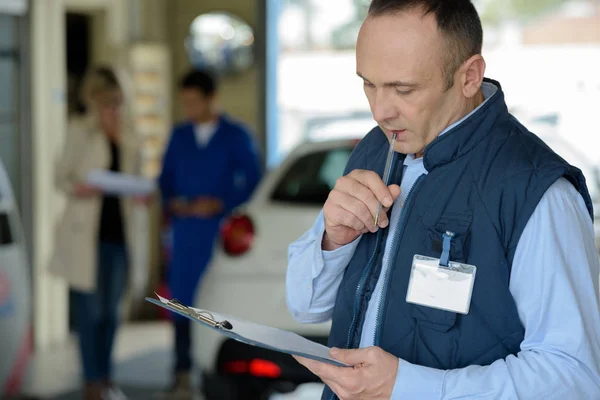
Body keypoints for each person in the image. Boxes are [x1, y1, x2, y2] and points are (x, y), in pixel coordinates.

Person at [286, 1, 600, 399]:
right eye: (368, 83)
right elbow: (305, 306)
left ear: (469, 76)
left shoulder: (536, 191)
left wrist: (408, 387)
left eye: (403, 89)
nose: (380, 110)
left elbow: (573, 378)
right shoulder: (374, 150)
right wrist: (333, 241)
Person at [158, 69, 262, 397]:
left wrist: (220, 203)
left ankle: (216, 373)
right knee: (181, 302)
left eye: (194, 102)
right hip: (185, 233)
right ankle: (181, 372)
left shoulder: (234, 135)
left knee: (216, 300)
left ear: (211, 99)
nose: (188, 108)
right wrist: (175, 203)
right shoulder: (179, 136)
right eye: (184, 102)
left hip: (219, 234)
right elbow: (165, 180)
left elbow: (254, 182)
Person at [50, 66, 144, 400]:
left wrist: (142, 193)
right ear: (92, 100)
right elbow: (60, 176)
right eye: (105, 102)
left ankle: (106, 378)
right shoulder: (80, 129)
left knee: (112, 313)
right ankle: (91, 380)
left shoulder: (131, 134)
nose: (112, 109)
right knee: (90, 312)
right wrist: (81, 187)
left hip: (119, 235)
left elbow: (137, 179)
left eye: (117, 101)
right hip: (84, 235)